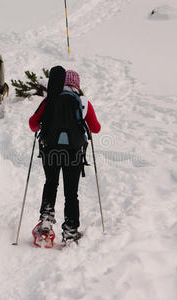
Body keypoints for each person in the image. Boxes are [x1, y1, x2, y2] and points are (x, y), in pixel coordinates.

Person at [29, 67, 101, 242]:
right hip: (74, 153)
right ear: (77, 84)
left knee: (51, 183)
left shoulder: (50, 100)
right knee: (71, 192)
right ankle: (70, 230)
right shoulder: (83, 102)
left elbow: (33, 124)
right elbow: (96, 129)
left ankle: (46, 221)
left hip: (51, 150)